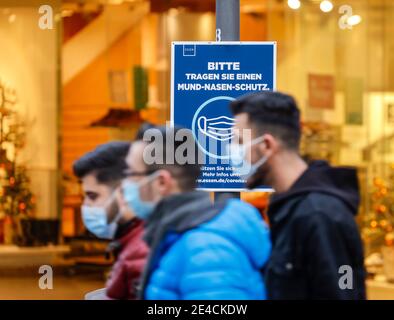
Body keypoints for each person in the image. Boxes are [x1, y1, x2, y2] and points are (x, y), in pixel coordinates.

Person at [229, 91, 366, 299]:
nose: (233, 152)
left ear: (267, 145)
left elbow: (342, 290)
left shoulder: (319, 216)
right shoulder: (287, 208)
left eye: (239, 142)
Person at [121, 126, 271, 300]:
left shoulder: (205, 247)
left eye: (131, 174)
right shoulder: (179, 231)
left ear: (161, 182)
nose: (125, 184)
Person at [73, 141, 148, 300]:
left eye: (93, 196)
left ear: (123, 193)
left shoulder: (142, 251)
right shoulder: (134, 239)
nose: (86, 205)